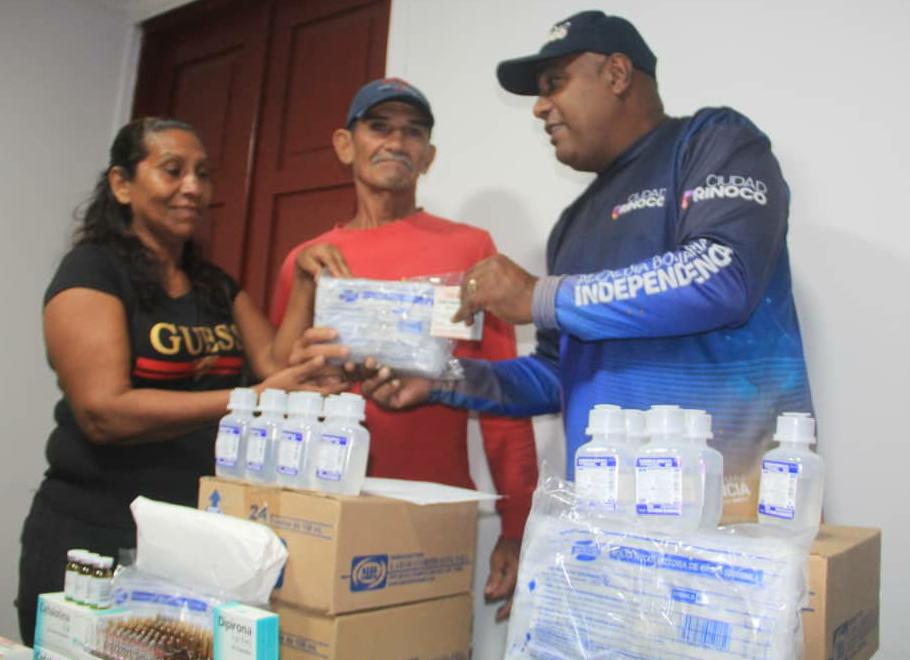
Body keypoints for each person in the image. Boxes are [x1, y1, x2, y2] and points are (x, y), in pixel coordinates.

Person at [361, 12, 814, 524]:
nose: (538, 108)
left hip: (732, 511)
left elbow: (721, 275)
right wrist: (444, 379)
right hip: (605, 519)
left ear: (617, 75)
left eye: (554, 85)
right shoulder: (573, 224)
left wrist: (540, 296)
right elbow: (557, 375)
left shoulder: (712, 142)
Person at [17, 117, 347, 644]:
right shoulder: (92, 271)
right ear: (122, 184)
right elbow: (104, 412)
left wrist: (305, 282)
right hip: (93, 534)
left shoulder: (212, 284)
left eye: (202, 174)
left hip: (190, 538)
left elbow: (271, 362)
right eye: (173, 171)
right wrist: (249, 398)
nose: (193, 187)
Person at [269, 78, 539, 621]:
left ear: (429, 156)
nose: (396, 141)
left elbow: (502, 391)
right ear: (345, 144)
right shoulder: (307, 260)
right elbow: (275, 388)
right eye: (379, 126)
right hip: (320, 504)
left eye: (413, 132)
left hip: (433, 507)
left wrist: (517, 525)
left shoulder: (471, 248)